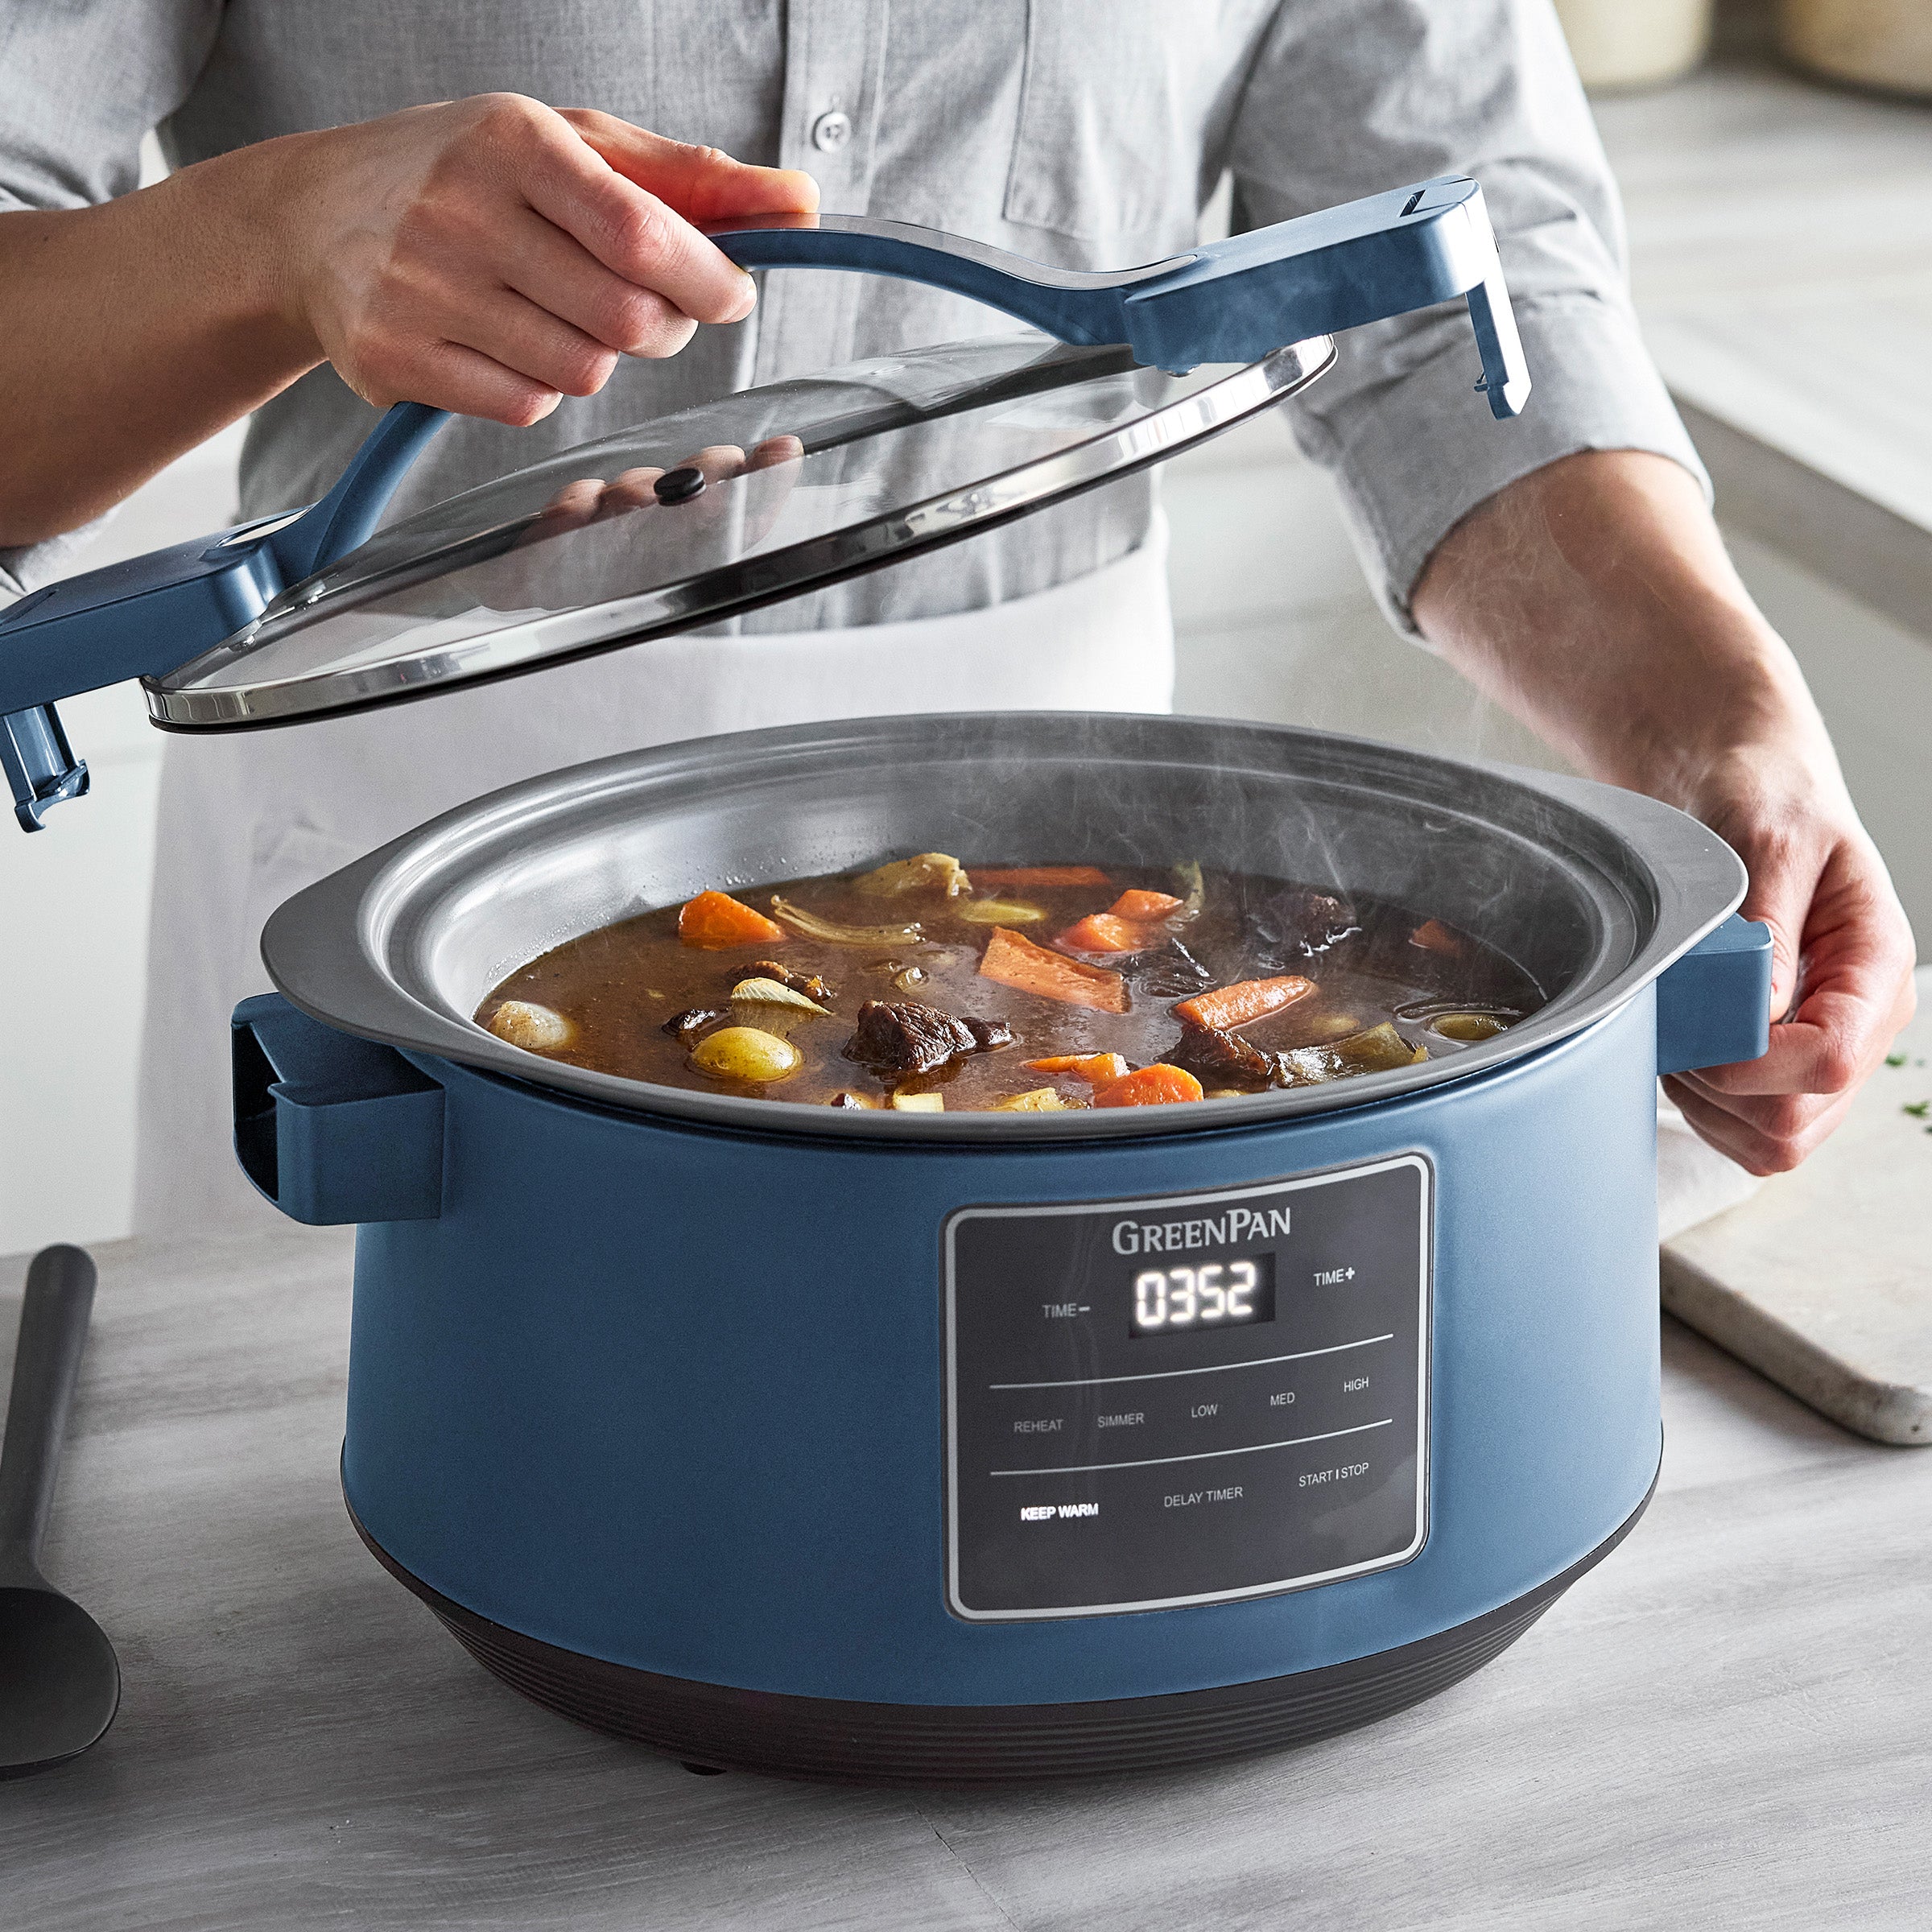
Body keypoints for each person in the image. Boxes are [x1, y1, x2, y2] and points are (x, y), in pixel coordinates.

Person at [0, 4, 1913, 1229]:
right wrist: (274, 239)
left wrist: (1715, 724)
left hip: (1090, 868)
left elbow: (1450, 283)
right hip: (397, 859)